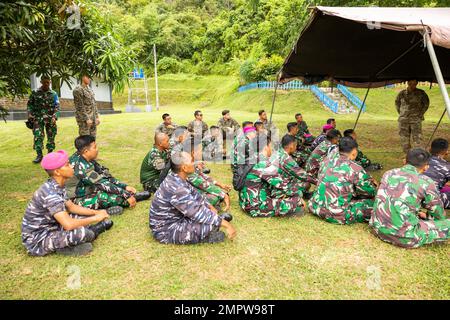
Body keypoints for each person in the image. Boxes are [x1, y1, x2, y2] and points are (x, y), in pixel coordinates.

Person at [22, 150, 113, 256]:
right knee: (83, 233)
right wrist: (96, 218)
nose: (71, 166)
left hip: (53, 225)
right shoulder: (50, 194)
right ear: (57, 172)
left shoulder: (57, 184)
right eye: (67, 165)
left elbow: (71, 207)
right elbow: (68, 224)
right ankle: (73, 242)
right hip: (38, 239)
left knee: (81, 217)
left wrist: (95, 212)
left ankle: (84, 235)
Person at [149, 151, 237, 244]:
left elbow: (196, 196)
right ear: (184, 168)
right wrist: (226, 225)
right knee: (212, 226)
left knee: (211, 219)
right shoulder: (177, 188)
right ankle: (207, 235)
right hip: (165, 230)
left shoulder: (176, 176)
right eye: (191, 161)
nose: (194, 164)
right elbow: (197, 212)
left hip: (177, 218)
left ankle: (213, 222)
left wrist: (210, 207)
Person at [370, 148, 449, 248]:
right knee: (446, 224)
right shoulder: (426, 182)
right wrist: (430, 219)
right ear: (426, 167)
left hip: (378, 229)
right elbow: (439, 215)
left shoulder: (388, 173)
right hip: (404, 237)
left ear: (404, 161)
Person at [67, 135, 149, 213]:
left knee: (111, 191)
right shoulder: (80, 165)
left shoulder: (86, 157)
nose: (97, 149)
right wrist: (126, 195)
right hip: (75, 199)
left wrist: (124, 187)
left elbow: (105, 175)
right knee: (106, 198)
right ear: (86, 151)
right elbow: (102, 183)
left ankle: (129, 197)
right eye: (95, 147)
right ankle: (109, 208)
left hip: (89, 189)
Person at [308, 137, 378, 225]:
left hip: (314, 207)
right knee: (373, 204)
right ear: (354, 152)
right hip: (336, 214)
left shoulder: (326, 161)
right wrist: (375, 185)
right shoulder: (355, 168)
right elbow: (369, 192)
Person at [239, 136, 305, 217]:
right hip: (256, 207)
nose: (272, 149)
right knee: (296, 202)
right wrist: (299, 194)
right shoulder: (264, 163)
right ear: (266, 147)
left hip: (244, 202)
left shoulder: (251, 159)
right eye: (271, 146)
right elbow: (283, 186)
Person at [27, 75, 60, 164]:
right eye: (44, 82)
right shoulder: (34, 92)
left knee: (51, 136)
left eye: (48, 82)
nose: (46, 84)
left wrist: (55, 116)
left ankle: (50, 155)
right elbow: (30, 105)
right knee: (38, 136)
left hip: (50, 119)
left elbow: (57, 106)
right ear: (41, 82)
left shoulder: (54, 94)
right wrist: (30, 114)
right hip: (38, 118)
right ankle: (39, 155)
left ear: (50, 82)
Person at [395, 80, 430, 154]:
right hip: (404, 120)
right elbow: (397, 104)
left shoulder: (421, 93)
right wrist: (402, 113)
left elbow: (426, 104)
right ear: (408, 83)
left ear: (416, 84)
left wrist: (420, 114)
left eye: (414, 83)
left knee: (417, 138)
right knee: (404, 138)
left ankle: (418, 155)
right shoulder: (402, 93)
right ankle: (407, 155)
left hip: (415, 120)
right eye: (410, 83)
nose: (412, 85)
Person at [423, 138, 450, 209]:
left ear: (430, 149)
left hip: (413, 196)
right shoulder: (446, 166)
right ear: (446, 151)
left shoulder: (420, 161)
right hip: (430, 201)